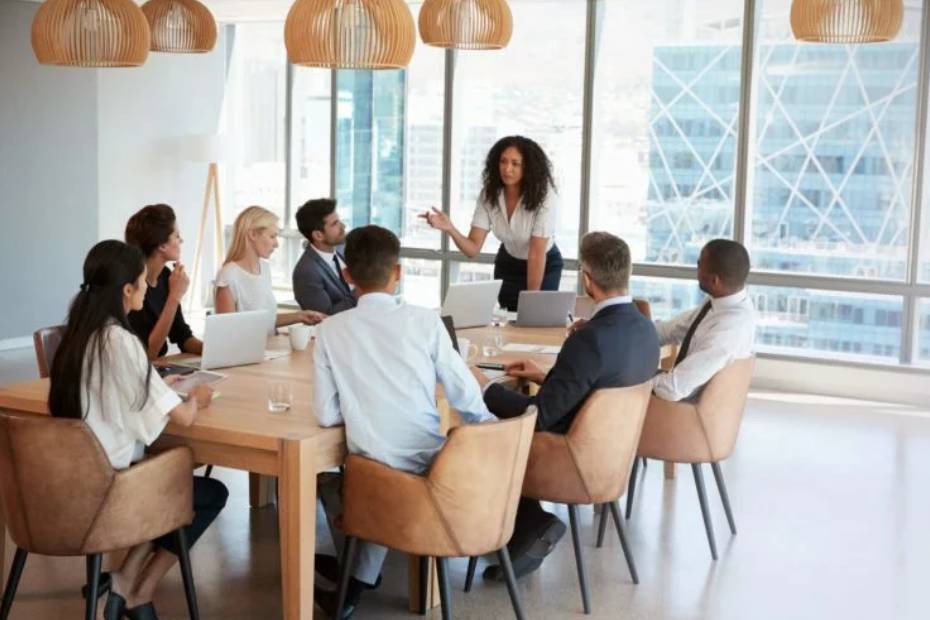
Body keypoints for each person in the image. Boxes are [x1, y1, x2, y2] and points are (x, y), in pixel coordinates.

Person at [312, 225, 496, 619]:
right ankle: (357, 579)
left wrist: (364, 403)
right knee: (380, 466)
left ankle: (355, 580)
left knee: (340, 476)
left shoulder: (329, 331)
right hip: (437, 471)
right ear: (399, 271)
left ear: (346, 275)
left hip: (376, 479)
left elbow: (327, 414)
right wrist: (494, 435)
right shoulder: (426, 322)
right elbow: (466, 396)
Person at [48, 240, 228, 620]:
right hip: (111, 492)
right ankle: (136, 589)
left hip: (64, 485)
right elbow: (183, 420)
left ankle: (123, 582)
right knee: (205, 491)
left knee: (167, 479)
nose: (148, 291)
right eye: (145, 283)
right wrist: (197, 396)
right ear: (127, 290)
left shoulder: (76, 338)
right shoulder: (120, 341)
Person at [471, 232, 659, 580]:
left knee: (476, 432)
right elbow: (600, 389)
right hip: (610, 455)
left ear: (587, 279)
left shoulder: (590, 339)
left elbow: (538, 417)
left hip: (567, 455)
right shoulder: (646, 328)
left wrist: (482, 388)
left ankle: (532, 523)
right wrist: (546, 376)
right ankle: (522, 529)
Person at [422, 135, 564, 311]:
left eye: (515, 163)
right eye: (503, 162)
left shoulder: (545, 196)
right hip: (509, 263)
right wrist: (450, 228)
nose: (507, 169)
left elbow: (536, 253)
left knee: (536, 319)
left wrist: (531, 303)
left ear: (528, 167)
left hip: (543, 263)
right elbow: (472, 249)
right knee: (509, 319)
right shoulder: (489, 194)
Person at [652, 239, 755, 402]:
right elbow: (675, 329)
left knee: (611, 384)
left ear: (714, 280)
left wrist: (638, 382)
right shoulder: (719, 303)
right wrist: (636, 332)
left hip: (683, 405)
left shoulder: (730, 328)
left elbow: (673, 389)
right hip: (682, 389)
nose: (696, 269)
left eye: (699, 265)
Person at [214, 206, 326, 334]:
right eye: (272, 236)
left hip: (269, 349)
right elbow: (226, 331)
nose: (276, 244)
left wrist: (300, 316)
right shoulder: (228, 276)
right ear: (253, 235)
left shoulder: (265, 268)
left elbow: (265, 320)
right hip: (246, 353)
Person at [125, 204, 202, 359]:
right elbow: (148, 354)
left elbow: (182, 336)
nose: (181, 240)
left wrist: (215, 351)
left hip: (159, 368)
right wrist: (174, 297)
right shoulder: (132, 286)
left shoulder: (166, 276)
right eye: (176, 236)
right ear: (162, 245)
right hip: (143, 371)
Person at [292, 198, 356, 314]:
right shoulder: (306, 272)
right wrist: (364, 290)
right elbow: (324, 317)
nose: (343, 226)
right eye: (335, 224)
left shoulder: (344, 249)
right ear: (318, 235)